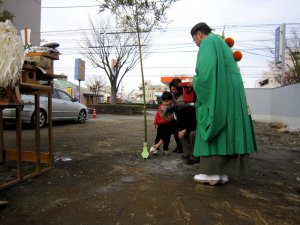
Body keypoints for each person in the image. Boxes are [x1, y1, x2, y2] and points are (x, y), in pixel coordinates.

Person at [190, 22, 257, 185]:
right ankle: (222, 173)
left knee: (212, 121)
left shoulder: (208, 42)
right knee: (228, 126)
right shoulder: (222, 43)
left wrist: (195, 81)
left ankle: (210, 173)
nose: (196, 44)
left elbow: (206, 73)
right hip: (231, 91)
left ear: (199, 34)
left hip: (220, 90)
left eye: (194, 40)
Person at [151, 91, 173, 155]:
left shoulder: (171, 107)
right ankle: (156, 149)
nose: (165, 103)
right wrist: (155, 122)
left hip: (168, 125)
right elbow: (157, 115)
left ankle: (165, 149)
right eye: (164, 101)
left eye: (167, 101)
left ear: (170, 100)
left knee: (167, 138)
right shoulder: (161, 107)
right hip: (160, 125)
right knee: (158, 137)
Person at [169, 78, 184, 153]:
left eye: (176, 89)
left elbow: (181, 105)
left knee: (180, 132)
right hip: (175, 117)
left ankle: (182, 147)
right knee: (175, 133)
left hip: (182, 118)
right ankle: (178, 146)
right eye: (173, 89)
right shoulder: (172, 96)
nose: (174, 91)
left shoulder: (183, 96)